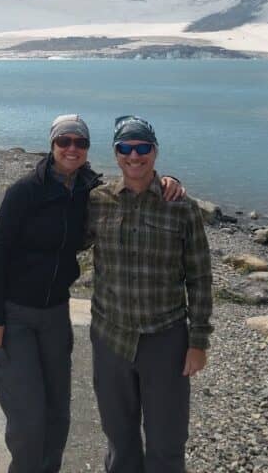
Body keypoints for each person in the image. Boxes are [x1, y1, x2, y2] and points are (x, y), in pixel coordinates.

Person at [0, 114, 184, 473]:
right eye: (64, 141)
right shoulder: (25, 191)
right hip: (15, 315)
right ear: (52, 145)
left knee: (59, 415)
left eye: (80, 142)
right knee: (28, 419)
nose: (72, 148)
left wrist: (168, 182)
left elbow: (132, 186)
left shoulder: (88, 191)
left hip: (55, 315)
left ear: (89, 149)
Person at [88, 115, 213, 473]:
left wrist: (198, 342)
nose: (134, 155)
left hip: (166, 339)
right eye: (125, 148)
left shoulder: (182, 207)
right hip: (111, 338)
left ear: (155, 152)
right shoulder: (98, 201)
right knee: (120, 438)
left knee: (167, 442)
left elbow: (200, 277)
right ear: (115, 154)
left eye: (142, 147)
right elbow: (61, 230)